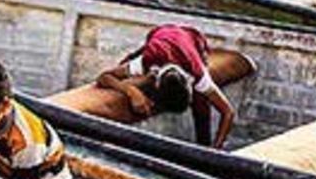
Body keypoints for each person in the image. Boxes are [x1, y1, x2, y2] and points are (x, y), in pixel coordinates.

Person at [95, 23, 238, 148]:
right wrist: (131, 91)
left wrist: (216, 147)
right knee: (125, 64)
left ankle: (204, 146)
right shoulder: (148, 59)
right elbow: (103, 77)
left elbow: (228, 112)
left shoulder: (199, 75)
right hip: (161, 33)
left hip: (193, 38)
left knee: (201, 101)